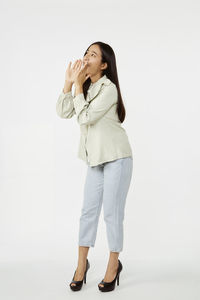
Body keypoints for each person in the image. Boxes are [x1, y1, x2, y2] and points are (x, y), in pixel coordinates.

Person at [56, 41, 133, 292]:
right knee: (87, 212)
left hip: (116, 158)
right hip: (94, 160)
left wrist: (78, 86)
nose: (86, 58)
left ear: (103, 64)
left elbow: (86, 117)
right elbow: (63, 111)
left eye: (93, 55)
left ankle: (113, 265)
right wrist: (69, 83)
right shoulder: (85, 88)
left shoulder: (108, 89)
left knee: (111, 213)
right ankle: (81, 266)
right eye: (85, 53)